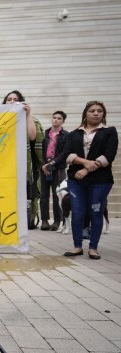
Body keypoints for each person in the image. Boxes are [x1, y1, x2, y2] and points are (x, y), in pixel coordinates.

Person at [63, 101, 117, 260]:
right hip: (76, 181)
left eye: (99, 111)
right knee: (78, 212)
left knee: (95, 211)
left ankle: (93, 248)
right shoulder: (74, 134)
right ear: (85, 114)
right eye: (92, 110)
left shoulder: (109, 132)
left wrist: (86, 169)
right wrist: (84, 162)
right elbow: (67, 155)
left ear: (103, 114)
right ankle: (77, 246)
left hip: (100, 181)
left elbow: (109, 155)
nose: (96, 113)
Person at [3, 90, 44, 230]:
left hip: (22, 166)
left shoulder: (30, 118)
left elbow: (33, 137)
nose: (12, 101)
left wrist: (28, 115)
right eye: (9, 99)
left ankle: (24, 223)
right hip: (3, 166)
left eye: (16, 99)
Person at [40, 111, 69, 231]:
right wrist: (43, 165)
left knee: (58, 195)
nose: (56, 120)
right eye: (54, 118)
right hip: (45, 168)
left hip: (58, 169)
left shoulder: (66, 135)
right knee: (44, 195)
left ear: (63, 121)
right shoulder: (45, 134)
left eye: (59, 118)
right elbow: (41, 151)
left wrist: (53, 163)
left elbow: (65, 152)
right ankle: (45, 221)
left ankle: (57, 221)